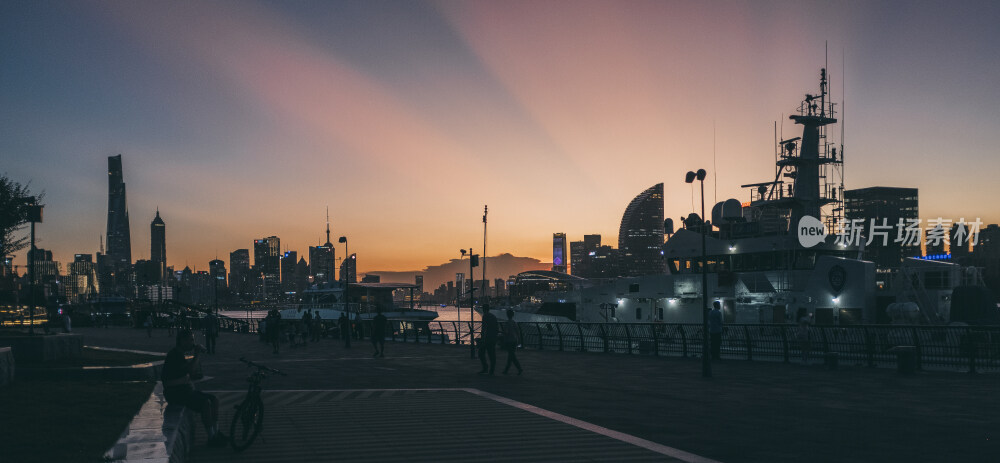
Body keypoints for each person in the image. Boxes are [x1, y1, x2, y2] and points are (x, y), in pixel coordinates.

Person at [162, 329, 227, 447]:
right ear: (182, 341)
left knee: (214, 400)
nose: (193, 342)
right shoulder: (175, 355)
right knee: (205, 403)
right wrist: (197, 354)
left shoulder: (179, 354)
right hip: (176, 394)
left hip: (184, 391)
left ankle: (216, 432)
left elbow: (185, 373)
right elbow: (189, 371)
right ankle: (211, 437)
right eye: (191, 339)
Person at [477, 308, 498, 375]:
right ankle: (492, 370)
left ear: (483, 309)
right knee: (492, 354)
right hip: (493, 337)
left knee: (481, 353)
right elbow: (497, 327)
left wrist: (482, 337)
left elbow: (484, 328)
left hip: (487, 338)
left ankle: (485, 367)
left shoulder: (485, 316)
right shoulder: (493, 316)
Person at [501, 309, 522, 375]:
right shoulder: (514, 322)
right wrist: (519, 340)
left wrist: (503, 336)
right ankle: (507, 370)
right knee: (511, 355)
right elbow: (518, 332)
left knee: (511, 356)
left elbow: (506, 332)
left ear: (507, 315)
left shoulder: (507, 323)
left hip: (509, 341)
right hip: (515, 340)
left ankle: (519, 368)